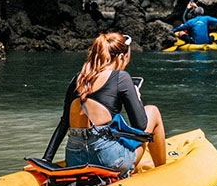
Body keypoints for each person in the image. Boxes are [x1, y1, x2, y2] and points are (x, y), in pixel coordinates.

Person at [43, 32, 167, 172]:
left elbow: (64, 122)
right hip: (108, 161)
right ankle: (162, 171)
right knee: (153, 111)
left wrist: (46, 159)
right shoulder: (121, 78)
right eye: (127, 58)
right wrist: (137, 98)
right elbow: (141, 127)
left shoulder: (78, 79)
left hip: (74, 159)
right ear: (121, 57)